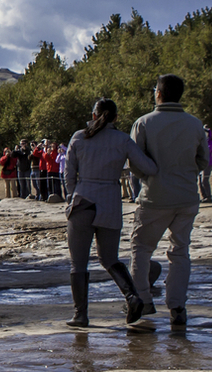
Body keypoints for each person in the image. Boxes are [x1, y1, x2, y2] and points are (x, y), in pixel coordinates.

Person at [62, 98, 158, 327]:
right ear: (115, 118)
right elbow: (149, 168)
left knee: (78, 263)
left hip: (82, 202)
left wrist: (72, 196)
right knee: (109, 258)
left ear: (94, 115)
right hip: (110, 202)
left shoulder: (79, 136)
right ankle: (132, 296)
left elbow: (69, 174)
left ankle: (80, 315)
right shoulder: (122, 139)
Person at [127, 74, 211, 330]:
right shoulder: (195, 124)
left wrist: (151, 176)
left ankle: (142, 299)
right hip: (186, 197)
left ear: (158, 94)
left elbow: (134, 163)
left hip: (154, 197)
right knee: (180, 252)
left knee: (140, 249)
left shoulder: (143, 123)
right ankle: (177, 306)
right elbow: (204, 161)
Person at [197, 125, 212, 203]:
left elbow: (206, 151)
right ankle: (204, 196)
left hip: (208, 163)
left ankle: (209, 196)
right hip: (201, 163)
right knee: (200, 181)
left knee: (205, 180)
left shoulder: (210, 142)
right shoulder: (201, 142)